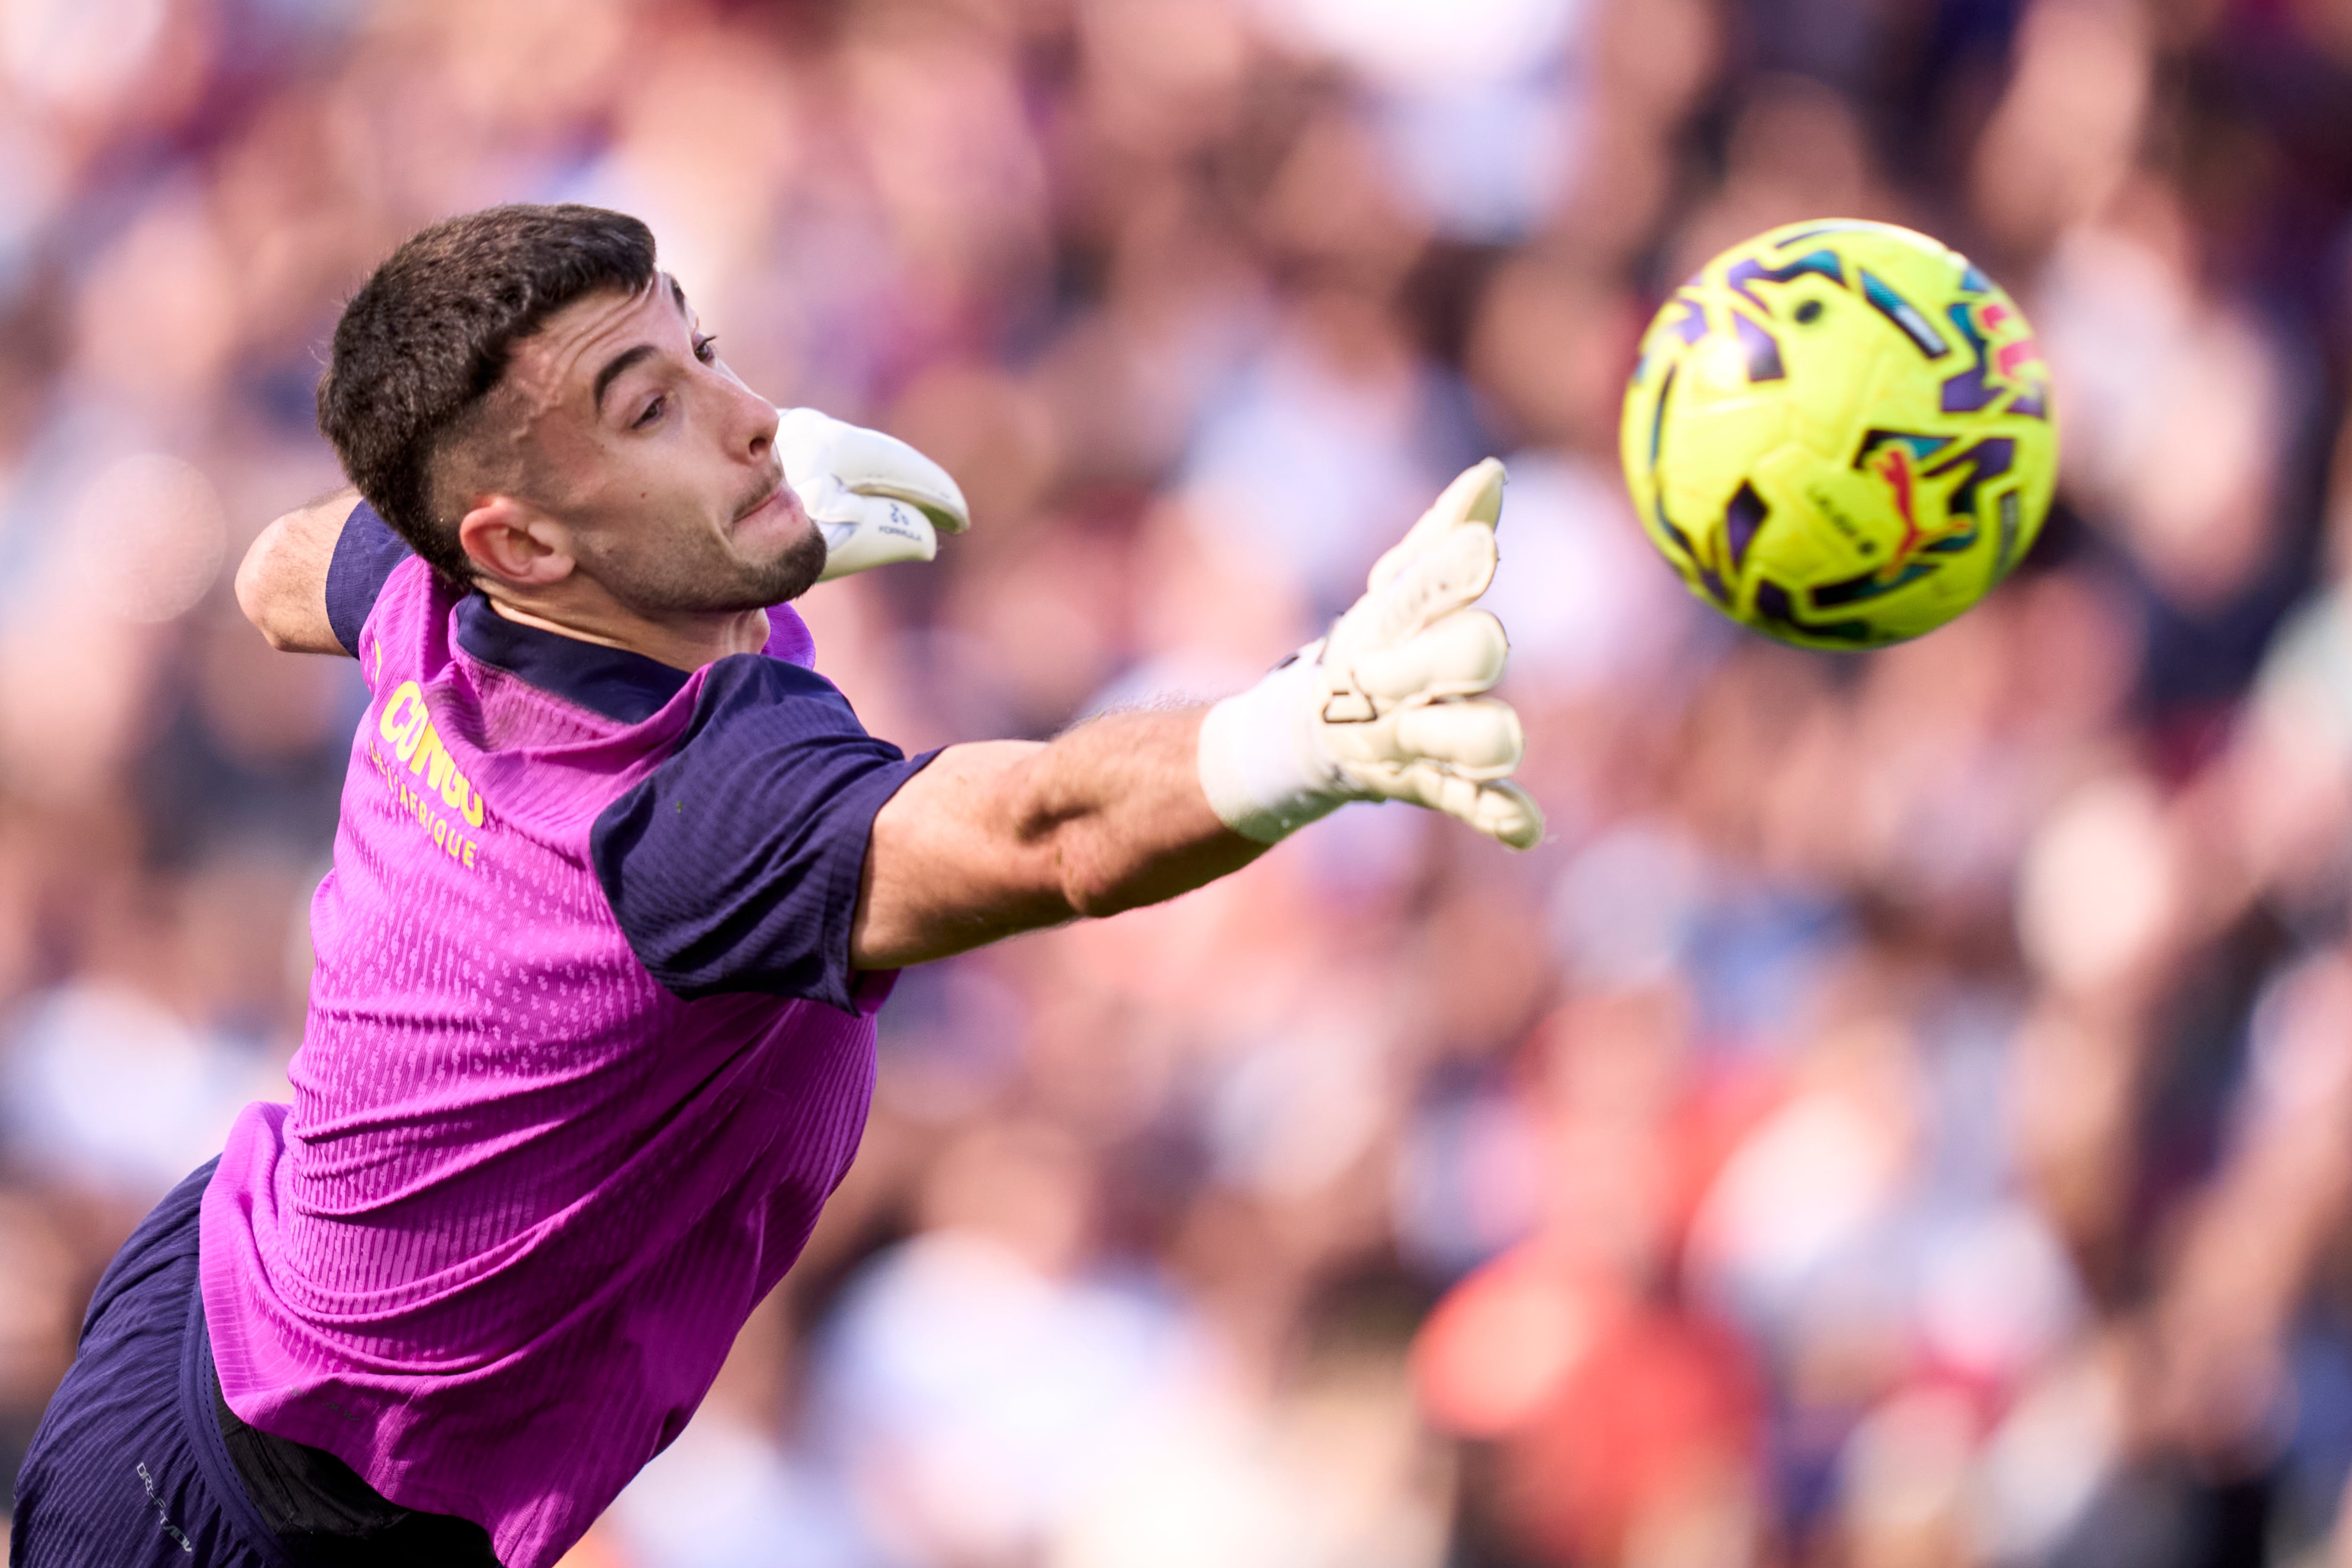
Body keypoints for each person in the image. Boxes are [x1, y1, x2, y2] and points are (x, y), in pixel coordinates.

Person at [9, 203, 1539, 1568]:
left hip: (216, 1322)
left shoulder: (439, 596)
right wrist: (1302, 729)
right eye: (651, 410)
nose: (753, 421)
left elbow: (281, 571)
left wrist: (692, 518)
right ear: (519, 542)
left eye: (705, 355)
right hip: (243, 1520)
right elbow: (1048, 833)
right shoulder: (683, 819)